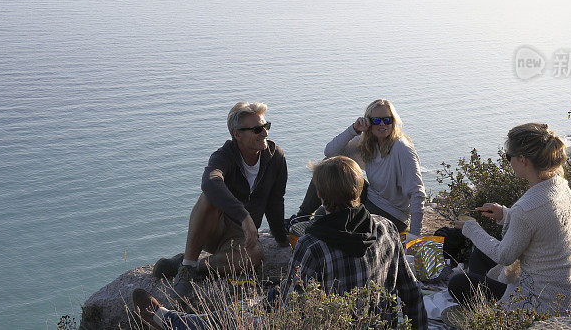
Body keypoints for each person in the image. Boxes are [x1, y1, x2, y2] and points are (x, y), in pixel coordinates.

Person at [133, 156, 428, 329]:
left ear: (321, 197)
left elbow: (287, 311)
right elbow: (410, 291)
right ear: (360, 191)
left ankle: (168, 319)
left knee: (235, 317)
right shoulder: (387, 229)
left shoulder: (314, 245)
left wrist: (261, 303)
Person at [153, 102, 289, 299]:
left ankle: (190, 266)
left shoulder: (275, 157)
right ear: (237, 134)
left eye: (266, 126)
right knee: (209, 197)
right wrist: (244, 216)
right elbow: (210, 182)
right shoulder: (224, 156)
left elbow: (276, 200)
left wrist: (282, 239)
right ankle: (187, 268)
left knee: (255, 256)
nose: (265, 134)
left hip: (240, 237)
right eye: (258, 129)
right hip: (214, 228)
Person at [449, 123, 571, 315]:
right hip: (566, 295)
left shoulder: (527, 207)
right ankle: (487, 304)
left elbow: (505, 256)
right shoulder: (560, 186)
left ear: (523, 160)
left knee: (457, 283)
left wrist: (471, 228)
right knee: (480, 253)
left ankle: (489, 314)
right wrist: (506, 214)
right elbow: (541, 223)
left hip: (542, 302)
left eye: (508, 157)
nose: (508, 162)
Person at [295, 99, 426, 238]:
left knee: (325, 218)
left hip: (392, 213)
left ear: (393, 121)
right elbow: (330, 152)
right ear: (368, 122)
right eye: (376, 120)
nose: (382, 124)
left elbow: (417, 192)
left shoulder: (402, 148)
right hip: (371, 198)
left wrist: (415, 235)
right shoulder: (368, 143)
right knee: (327, 166)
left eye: (387, 120)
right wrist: (354, 129)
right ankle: (301, 217)